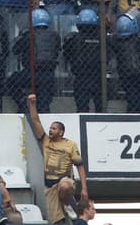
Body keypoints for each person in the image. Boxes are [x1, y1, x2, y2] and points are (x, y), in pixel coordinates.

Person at [26, 95, 86, 224]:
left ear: (61, 132)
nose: (50, 130)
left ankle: (67, 204)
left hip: (65, 180)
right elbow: (35, 120)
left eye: (54, 128)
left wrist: (84, 189)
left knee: (64, 186)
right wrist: (32, 104)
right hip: (50, 186)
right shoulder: (45, 141)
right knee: (57, 221)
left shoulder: (70, 145)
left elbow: (80, 166)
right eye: (50, 128)